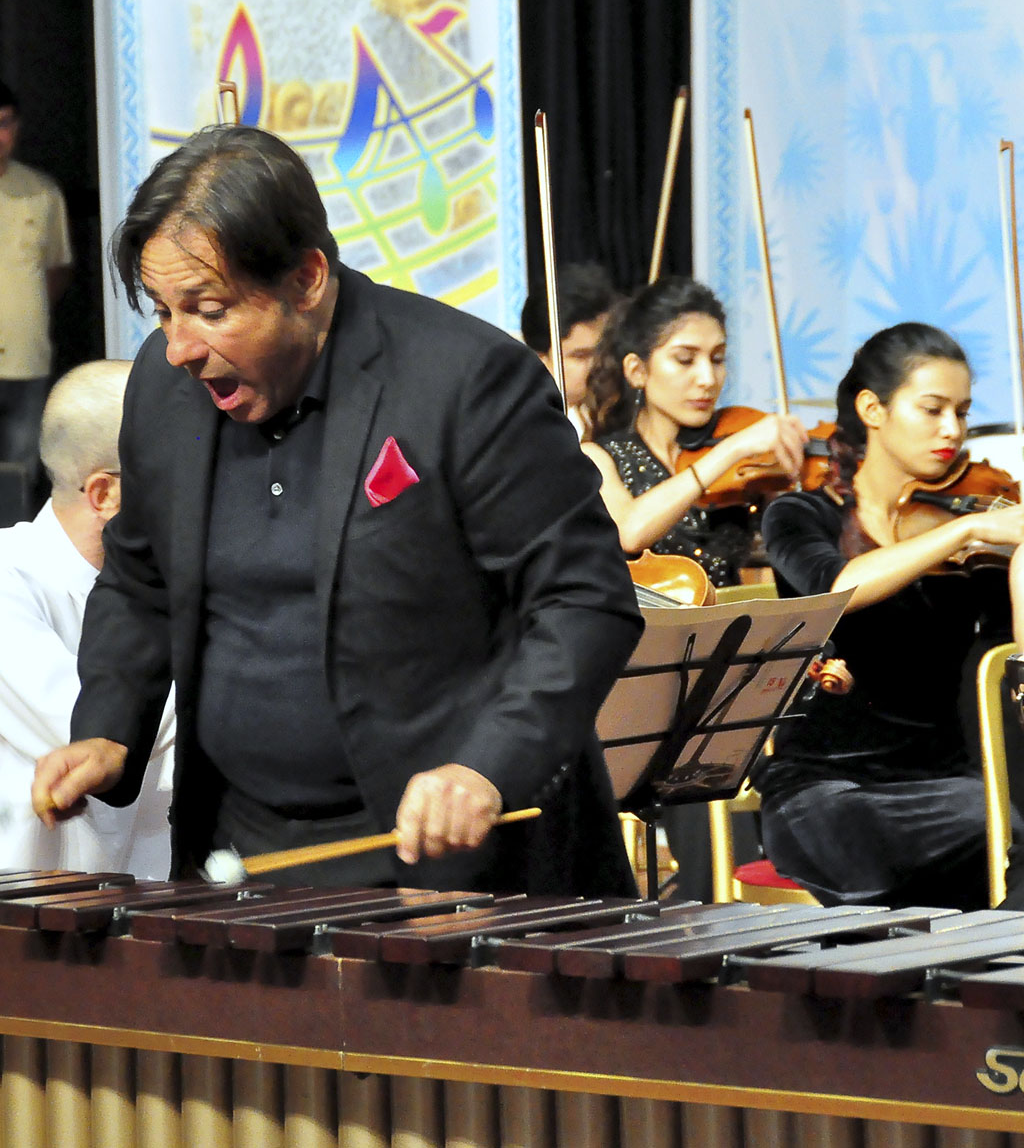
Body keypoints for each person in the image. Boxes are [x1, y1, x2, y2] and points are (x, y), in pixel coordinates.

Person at [30, 124, 642, 896]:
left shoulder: (466, 381)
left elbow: (584, 600)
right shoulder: (166, 386)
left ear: (308, 278)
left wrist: (488, 765)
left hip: (451, 858)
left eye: (208, 307)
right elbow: (140, 578)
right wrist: (110, 729)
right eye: (162, 310)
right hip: (245, 855)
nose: (179, 344)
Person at [755, 322, 1024, 910]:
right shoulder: (800, 516)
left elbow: (1012, 656)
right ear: (872, 409)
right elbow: (837, 586)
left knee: (1000, 816)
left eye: (962, 411)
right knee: (848, 825)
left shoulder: (971, 532)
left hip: (943, 783)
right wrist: (970, 526)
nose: (952, 430)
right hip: (824, 785)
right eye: (932, 409)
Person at [0, 360, 172, 876]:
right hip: (28, 918)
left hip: (154, 905)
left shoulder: (179, 579)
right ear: (105, 494)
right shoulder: (8, 578)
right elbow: (86, 732)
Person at [581, 276, 807, 586]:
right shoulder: (599, 457)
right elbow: (629, 532)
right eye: (685, 360)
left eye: (717, 359)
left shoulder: (744, 467)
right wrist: (730, 450)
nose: (707, 379)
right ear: (637, 371)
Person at [0, 80, 73, 487]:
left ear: (17, 128)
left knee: (18, 476)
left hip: (27, 359)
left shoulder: (42, 192)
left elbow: (57, 269)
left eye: (4, 123)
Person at [520, 262, 618, 439]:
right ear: (541, 360)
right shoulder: (527, 430)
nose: (599, 365)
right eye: (581, 356)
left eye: (605, 351)